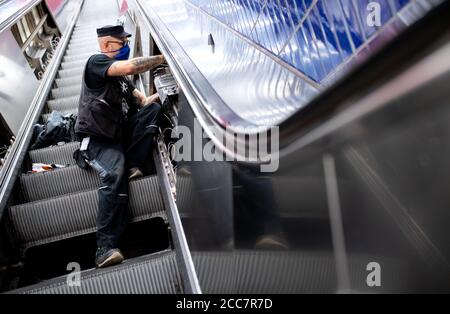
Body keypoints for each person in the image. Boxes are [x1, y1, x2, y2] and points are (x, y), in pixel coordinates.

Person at [74, 25, 165, 268]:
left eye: (127, 41)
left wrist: (167, 91)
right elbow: (132, 66)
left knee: (152, 111)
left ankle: (134, 164)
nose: (126, 45)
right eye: (121, 42)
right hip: (96, 141)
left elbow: (144, 101)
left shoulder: (121, 82)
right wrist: (164, 57)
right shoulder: (96, 63)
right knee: (114, 172)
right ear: (107, 45)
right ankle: (104, 247)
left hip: (117, 137)